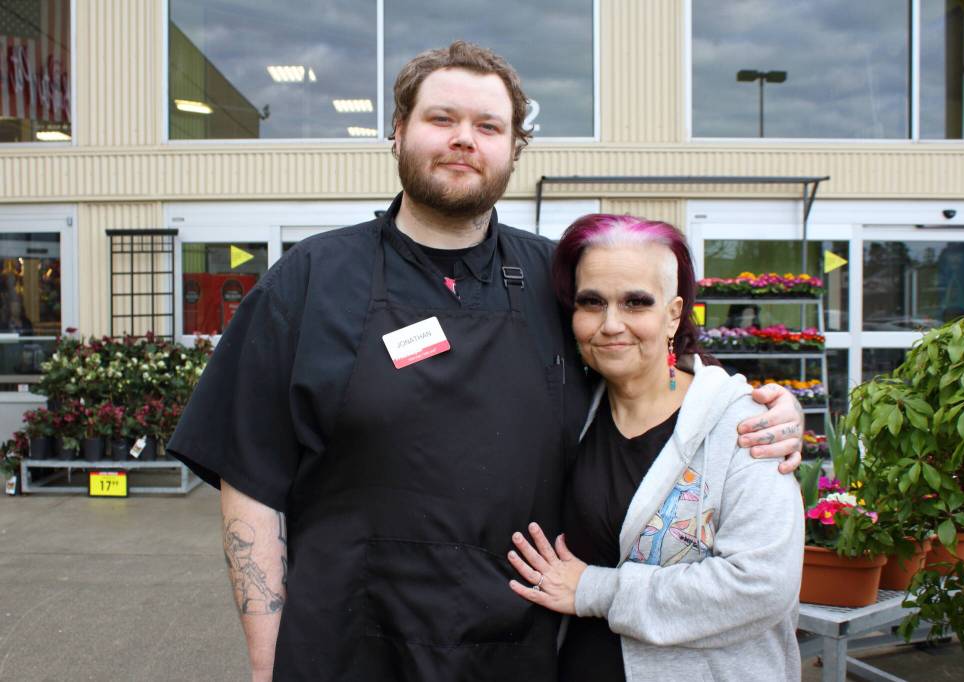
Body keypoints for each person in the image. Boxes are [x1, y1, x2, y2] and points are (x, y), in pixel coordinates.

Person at [168, 42, 805, 681]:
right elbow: (250, 481)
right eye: (441, 119)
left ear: (513, 149)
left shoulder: (557, 280)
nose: (463, 140)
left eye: (488, 126)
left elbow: (670, 377)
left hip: (518, 648)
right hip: (347, 645)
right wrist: (263, 661)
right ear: (397, 133)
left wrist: (772, 409)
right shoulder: (308, 282)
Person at [507, 214, 804, 681]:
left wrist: (594, 590)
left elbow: (761, 586)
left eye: (635, 302)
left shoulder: (743, 427)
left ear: (672, 314)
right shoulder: (573, 410)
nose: (610, 324)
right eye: (592, 302)